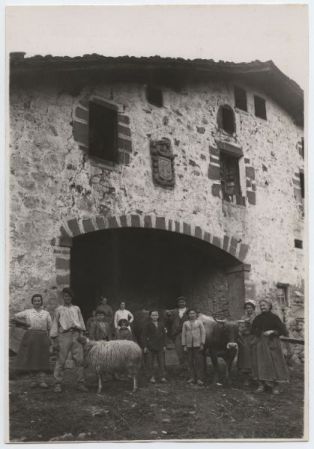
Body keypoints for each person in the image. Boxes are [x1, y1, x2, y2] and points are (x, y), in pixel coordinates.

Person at [50, 287, 87, 393]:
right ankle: (57, 383)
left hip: (76, 334)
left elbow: (81, 322)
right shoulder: (59, 309)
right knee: (61, 360)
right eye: (65, 296)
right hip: (64, 335)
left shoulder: (76, 308)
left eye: (69, 296)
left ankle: (81, 383)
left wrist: (81, 334)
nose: (67, 298)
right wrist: (54, 339)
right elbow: (55, 324)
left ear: (72, 297)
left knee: (79, 360)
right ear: (63, 297)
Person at [12, 294, 52, 388]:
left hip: (43, 336)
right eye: (35, 301)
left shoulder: (46, 313)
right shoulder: (28, 312)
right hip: (31, 336)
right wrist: (25, 323)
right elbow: (14, 317)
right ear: (32, 302)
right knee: (32, 357)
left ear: (41, 302)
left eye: (39, 300)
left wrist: (49, 339)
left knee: (42, 358)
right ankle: (33, 380)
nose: (37, 302)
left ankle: (42, 380)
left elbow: (50, 327)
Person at [251, 299, 289, 395]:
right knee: (260, 363)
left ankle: (275, 386)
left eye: (264, 305)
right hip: (260, 343)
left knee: (274, 363)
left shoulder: (274, 317)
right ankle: (261, 385)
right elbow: (253, 330)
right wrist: (260, 333)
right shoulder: (258, 318)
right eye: (261, 306)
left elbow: (282, 330)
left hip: (272, 343)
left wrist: (272, 331)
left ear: (269, 306)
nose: (262, 307)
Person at [181, 308, 206, 386]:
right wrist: (184, 345)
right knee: (190, 361)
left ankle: (199, 379)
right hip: (188, 345)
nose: (192, 315)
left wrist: (202, 343)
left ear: (196, 314)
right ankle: (191, 377)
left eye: (193, 313)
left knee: (198, 362)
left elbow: (203, 333)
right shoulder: (185, 323)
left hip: (197, 345)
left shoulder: (199, 322)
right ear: (188, 315)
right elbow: (183, 334)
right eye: (190, 314)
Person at [142, 310, 167, 384]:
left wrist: (164, 345)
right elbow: (143, 336)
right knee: (150, 362)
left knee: (161, 362)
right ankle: (151, 377)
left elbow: (164, 336)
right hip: (150, 346)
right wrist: (145, 346)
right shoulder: (147, 325)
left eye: (156, 315)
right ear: (150, 316)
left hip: (160, 346)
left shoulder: (161, 324)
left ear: (158, 316)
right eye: (153, 315)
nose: (154, 317)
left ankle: (162, 376)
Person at [237, 300, 257, 386]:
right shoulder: (243, 317)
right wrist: (240, 332)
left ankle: (256, 377)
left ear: (253, 308)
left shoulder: (257, 317)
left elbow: (258, 328)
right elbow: (240, 328)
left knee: (255, 357)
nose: (248, 309)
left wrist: (250, 323)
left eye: (250, 308)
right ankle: (246, 378)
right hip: (245, 339)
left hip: (254, 337)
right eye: (247, 308)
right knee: (245, 358)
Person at [166, 296, 189, 367]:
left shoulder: (189, 311)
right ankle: (183, 368)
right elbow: (169, 321)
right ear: (177, 303)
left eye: (183, 302)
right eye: (180, 302)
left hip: (187, 334)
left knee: (188, 351)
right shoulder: (173, 311)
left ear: (185, 303)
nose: (181, 303)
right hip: (176, 334)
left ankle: (190, 369)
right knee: (179, 351)